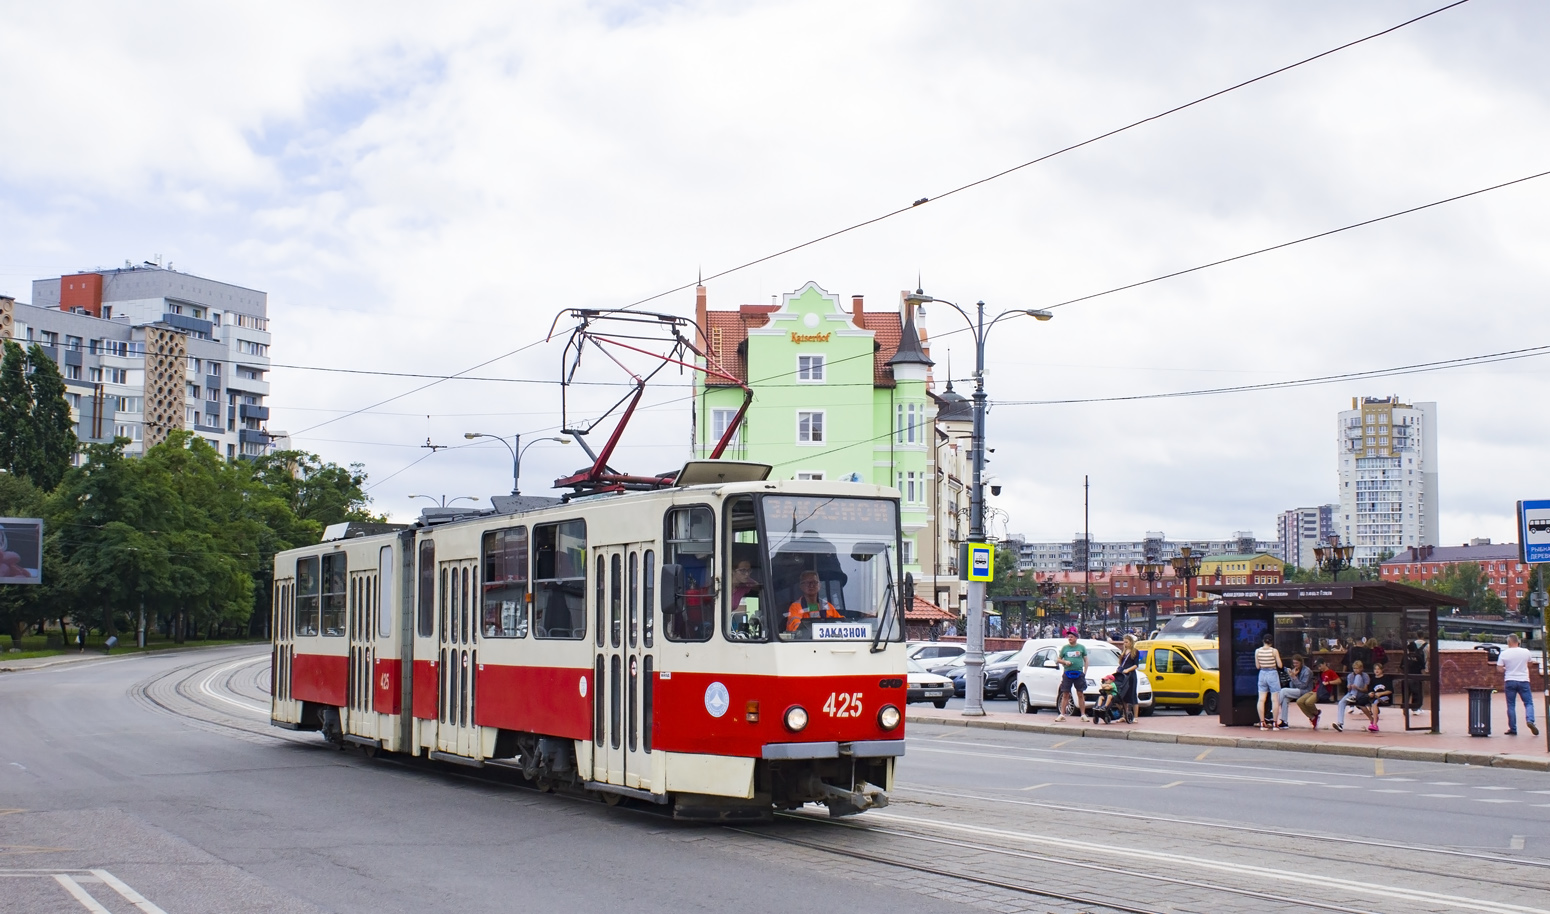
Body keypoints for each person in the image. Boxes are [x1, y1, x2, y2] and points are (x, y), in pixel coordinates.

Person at [1497, 634, 1538, 737]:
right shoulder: (1526, 652)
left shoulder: (1504, 653)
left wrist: (1506, 669)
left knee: (1511, 705)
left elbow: (1499, 668)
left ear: (1508, 642)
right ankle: (1530, 720)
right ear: (1518, 642)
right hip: (1524, 680)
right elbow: (1530, 664)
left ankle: (1513, 728)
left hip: (1510, 680)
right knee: (1528, 703)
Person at [1277, 654, 1320, 730]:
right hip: (1297, 690)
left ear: (1301, 662)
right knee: (1285, 699)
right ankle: (1284, 722)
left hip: (1305, 691)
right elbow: (1292, 686)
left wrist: (1294, 677)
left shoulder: (1307, 671)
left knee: (1283, 691)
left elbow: (1303, 686)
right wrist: (1292, 676)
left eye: (1297, 663)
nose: (1295, 665)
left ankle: (1274, 708)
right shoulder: (1294, 670)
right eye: (1294, 663)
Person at [1054, 629, 1088, 721]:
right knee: (1065, 693)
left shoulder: (1081, 648)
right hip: (1067, 673)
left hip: (1079, 673)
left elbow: (1086, 660)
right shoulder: (1065, 648)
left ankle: (1083, 715)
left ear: (1076, 638)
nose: (1070, 638)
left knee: (1080, 693)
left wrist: (1084, 672)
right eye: (1068, 637)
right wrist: (1065, 662)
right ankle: (1062, 714)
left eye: (1072, 637)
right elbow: (1058, 659)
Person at [1332, 660, 1373, 732]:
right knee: (1341, 703)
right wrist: (1349, 687)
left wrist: (1357, 688)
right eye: (1354, 668)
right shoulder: (1350, 676)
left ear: (1361, 668)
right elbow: (1349, 690)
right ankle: (1340, 723)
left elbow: (1365, 689)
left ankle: (1353, 696)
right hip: (1351, 694)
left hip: (1361, 693)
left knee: (1358, 676)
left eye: (1357, 668)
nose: (1356, 670)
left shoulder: (1365, 675)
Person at [1255, 633, 1283, 731]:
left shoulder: (1257, 651)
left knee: (1261, 699)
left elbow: (1257, 666)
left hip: (1262, 674)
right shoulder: (1274, 651)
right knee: (1274, 699)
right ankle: (1275, 723)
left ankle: (1262, 723)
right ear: (1271, 642)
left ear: (1263, 641)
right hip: (1272, 674)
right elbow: (1280, 665)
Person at [1114, 634, 1140, 724]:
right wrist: (1119, 669)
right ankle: (1124, 716)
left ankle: (1136, 717)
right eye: (1124, 642)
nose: (1125, 644)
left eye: (1126, 642)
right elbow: (1121, 663)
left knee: (1132, 695)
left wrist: (1128, 670)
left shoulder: (1135, 651)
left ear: (1131, 642)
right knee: (1123, 695)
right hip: (1123, 675)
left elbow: (1136, 665)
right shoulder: (1123, 651)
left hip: (1131, 675)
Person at [1368, 662, 1394, 732]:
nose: (1377, 671)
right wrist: (1371, 693)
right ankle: (1373, 719)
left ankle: (1375, 724)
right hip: (1374, 697)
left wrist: (1381, 693)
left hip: (1385, 697)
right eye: (1375, 669)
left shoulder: (1386, 678)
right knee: (1365, 701)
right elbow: (1370, 690)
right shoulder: (1373, 679)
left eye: (1378, 669)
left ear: (1382, 670)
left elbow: (1390, 691)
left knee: (1375, 702)